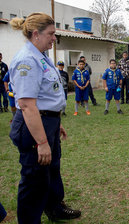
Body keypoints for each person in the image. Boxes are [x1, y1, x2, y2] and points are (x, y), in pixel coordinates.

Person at [8, 12, 81, 223]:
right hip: (33, 127)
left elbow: (46, 96)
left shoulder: (42, 57)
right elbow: (27, 105)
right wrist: (41, 141)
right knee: (34, 179)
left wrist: (55, 123)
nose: (53, 38)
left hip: (47, 122)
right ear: (35, 34)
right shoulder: (27, 61)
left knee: (52, 170)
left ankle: (55, 208)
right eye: (50, 34)